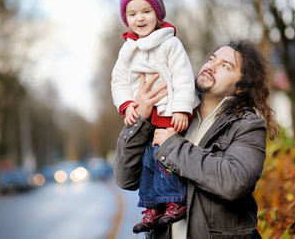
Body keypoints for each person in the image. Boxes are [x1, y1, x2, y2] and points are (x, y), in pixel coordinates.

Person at [113, 40, 279, 238]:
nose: (210, 67)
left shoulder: (247, 125)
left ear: (240, 88)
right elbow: (125, 179)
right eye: (211, 60)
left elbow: (235, 182)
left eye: (225, 66)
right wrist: (140, 120)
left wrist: (172, 146)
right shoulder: (169, 112)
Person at [111, 0, 199, 233]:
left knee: (166, 159)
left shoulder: (170, 43)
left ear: (158, 14)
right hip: (146, 116)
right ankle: (151, 206)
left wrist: (182, 109)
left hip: (169, 112)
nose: (140, 18)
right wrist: (128, 104)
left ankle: (174, 200)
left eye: (146, 11)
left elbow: (183, 76)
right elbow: (118, 81)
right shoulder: (126, 50)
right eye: (132, 14)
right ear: (126, 19)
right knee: (148, 161)